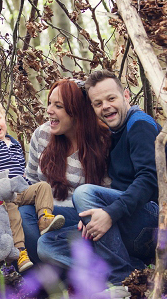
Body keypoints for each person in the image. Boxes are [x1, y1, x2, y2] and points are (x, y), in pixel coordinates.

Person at [69, 70, 167, 285]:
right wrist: (94, 217)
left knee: (84, 193)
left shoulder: (139, 125)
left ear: (126, 96)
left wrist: (109, 213)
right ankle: (138, 271)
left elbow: (148, 180)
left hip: (163, 223)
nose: (105, 106)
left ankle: (121, 279)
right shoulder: (115, 133)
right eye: (98, 103)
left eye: (111, 98)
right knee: (49, 242)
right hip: (134, 220)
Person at [21, 78, 111, 268]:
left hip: (81, 219)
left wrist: (90, 219)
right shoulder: (42, 135)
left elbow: (106, 193)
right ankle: (49, 276)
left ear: (77, 112)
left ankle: (58, 274)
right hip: (44, 214)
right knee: (22, 214)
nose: (49, 110)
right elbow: (30, 182)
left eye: (58, 106)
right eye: (50, 103)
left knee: (41, 236)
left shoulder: (103, 141)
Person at [0, 97, 64, 272]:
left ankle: (44, 218)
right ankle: (20, 252)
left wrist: (26, 184)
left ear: (4, 117)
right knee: (12, 214)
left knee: (43, 187)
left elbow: (20, 170)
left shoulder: (13, 143)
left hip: (18, 190)